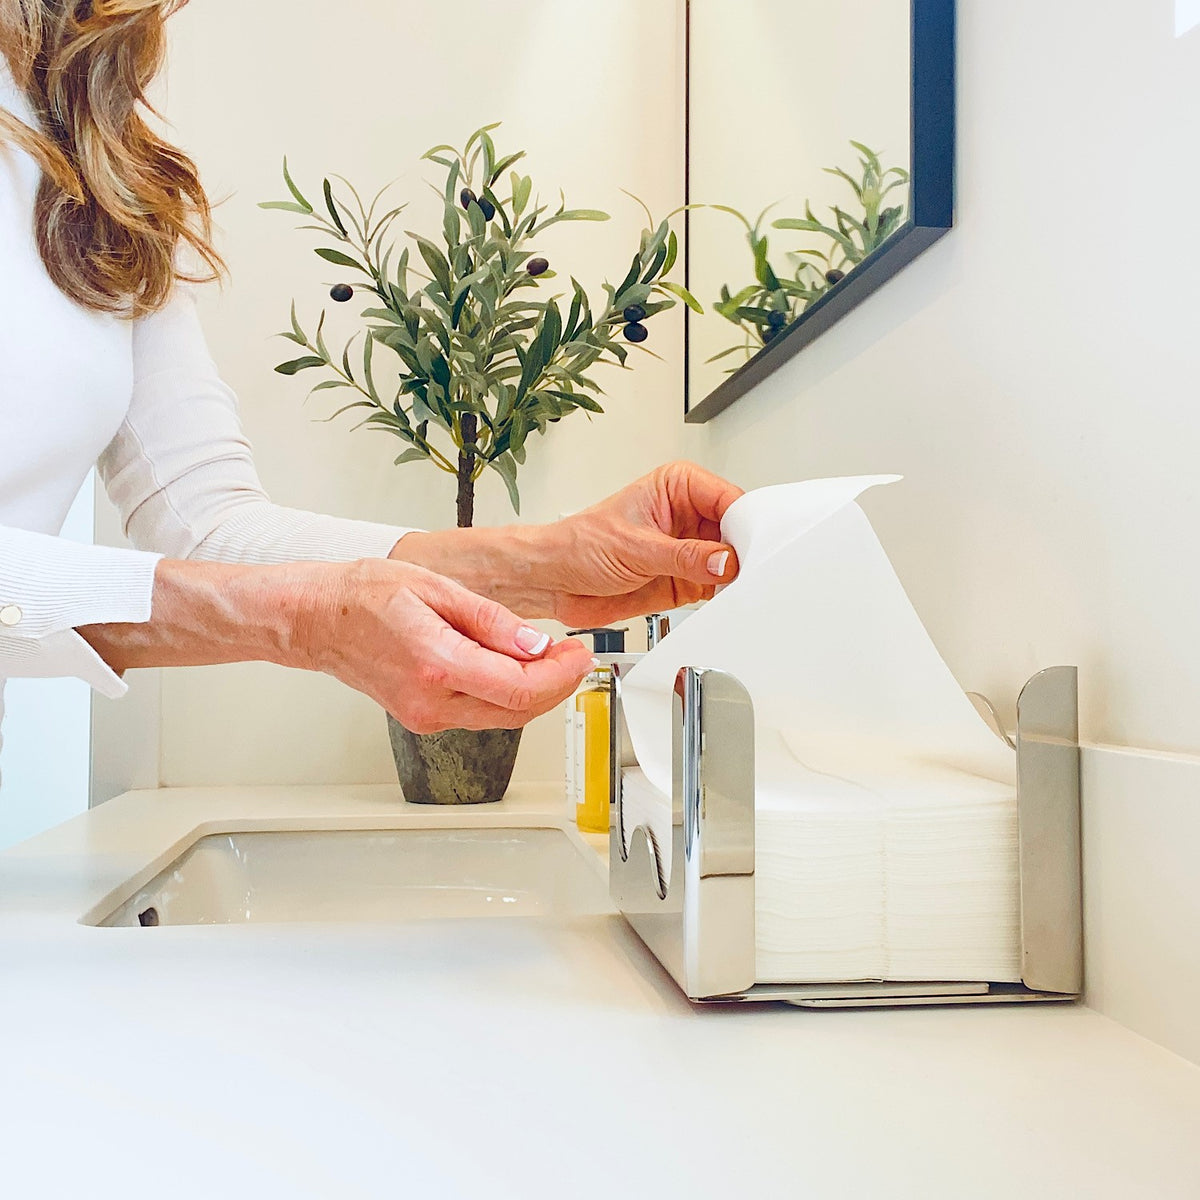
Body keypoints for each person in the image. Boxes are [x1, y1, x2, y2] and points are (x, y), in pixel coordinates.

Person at [0, 1, 742, 743]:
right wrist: (305, 618)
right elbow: (258, 588)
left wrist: (553, 564)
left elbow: (207, 527)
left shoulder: (98, 153)